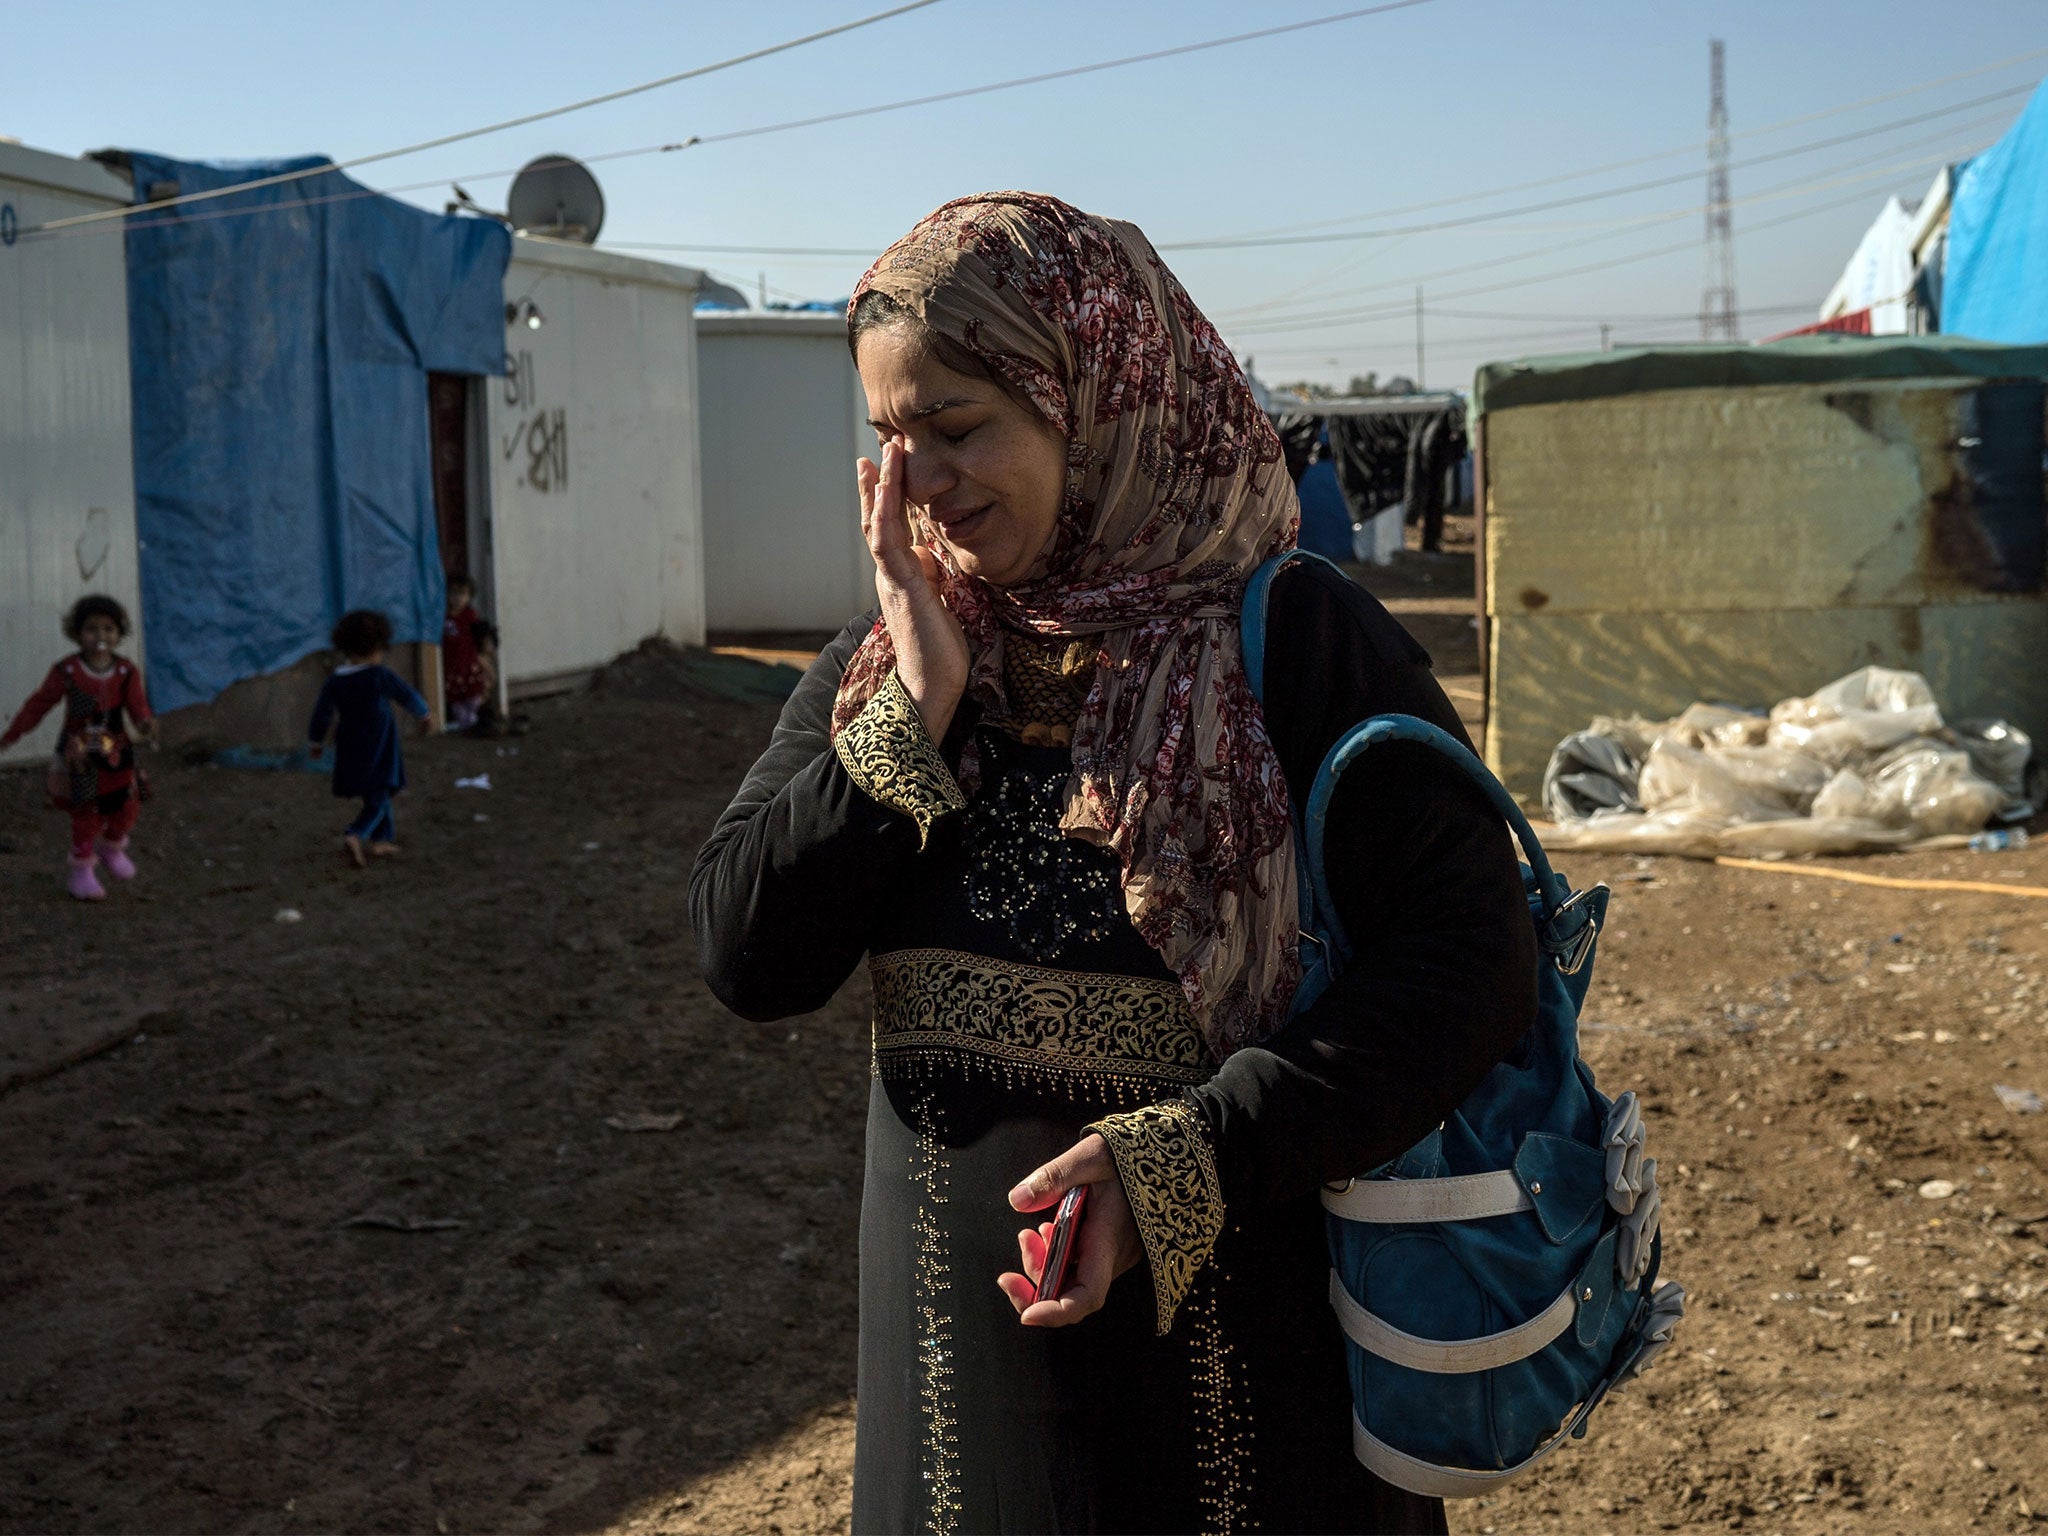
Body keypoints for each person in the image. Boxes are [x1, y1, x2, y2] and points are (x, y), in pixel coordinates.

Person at [691, 194, 1536, 1535]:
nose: (921, 486)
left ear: (1098, 402)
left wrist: (1188, 1159)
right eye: (890, 442)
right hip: (959, 1395)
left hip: (1257, 1391)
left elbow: (1473, 969)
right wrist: (910, 719)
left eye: (959, 430)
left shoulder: (1302, 647)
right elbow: (747, 956)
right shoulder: (894, 663)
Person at [0, 594, 159, 901]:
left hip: (116, 751)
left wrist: (145, 723)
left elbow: (138, 707)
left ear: (119, 632)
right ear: (78, 633)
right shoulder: (67, 672)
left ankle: (112, 847)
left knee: (126, 805)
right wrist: (14, 733)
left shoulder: (126, 672)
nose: (101, 637)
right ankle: (82, 872)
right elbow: (40, 704)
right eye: (92, 629)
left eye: (108, 629)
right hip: (80, 755)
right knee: (86, 811)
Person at [308, 610, 430, 867]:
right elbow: (406, 695)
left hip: (350, 742)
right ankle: (355, 834)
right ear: (379, 645)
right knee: (380, 792)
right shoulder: (378, 675)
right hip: (379, 742)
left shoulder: (336, 681)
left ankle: (381, 840)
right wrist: (424, 714)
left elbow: (322, 713)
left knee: (375, 789)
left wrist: (316, 741)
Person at [440, 572, 499, 732]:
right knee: (456, 701)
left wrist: (486, 661)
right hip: (452, 667)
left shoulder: (470, 616)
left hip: (469, 665)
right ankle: (467, 723)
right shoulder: (443, 617)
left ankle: (472, 720)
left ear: (469, 596)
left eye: (462, 594)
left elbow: (482, 640)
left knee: (474, 695)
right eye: (453, 593)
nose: (457, 598)